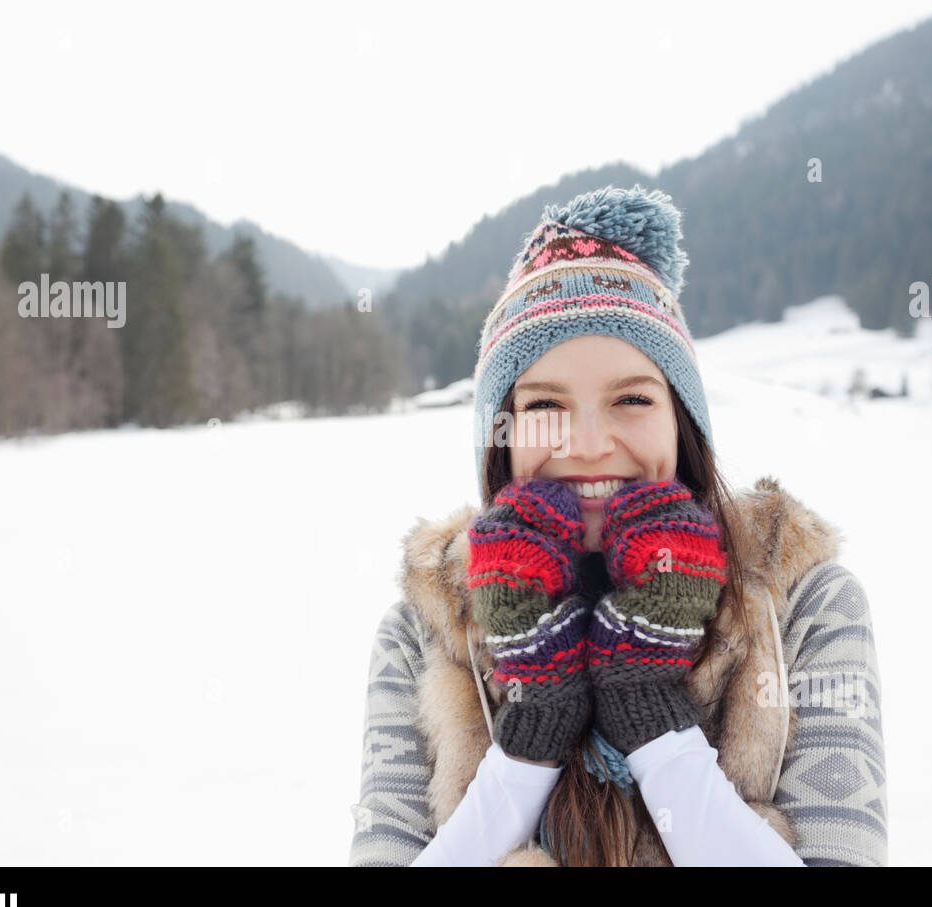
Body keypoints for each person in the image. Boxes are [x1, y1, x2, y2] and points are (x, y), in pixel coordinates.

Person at [349, 184, 887, 866]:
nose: (589, 444)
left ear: (681, 421)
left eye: (631, 398)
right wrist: (531, 737)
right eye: (546, 405)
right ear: (503, 437)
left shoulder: (802, 605)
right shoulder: (424, 633)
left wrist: (651, 719)